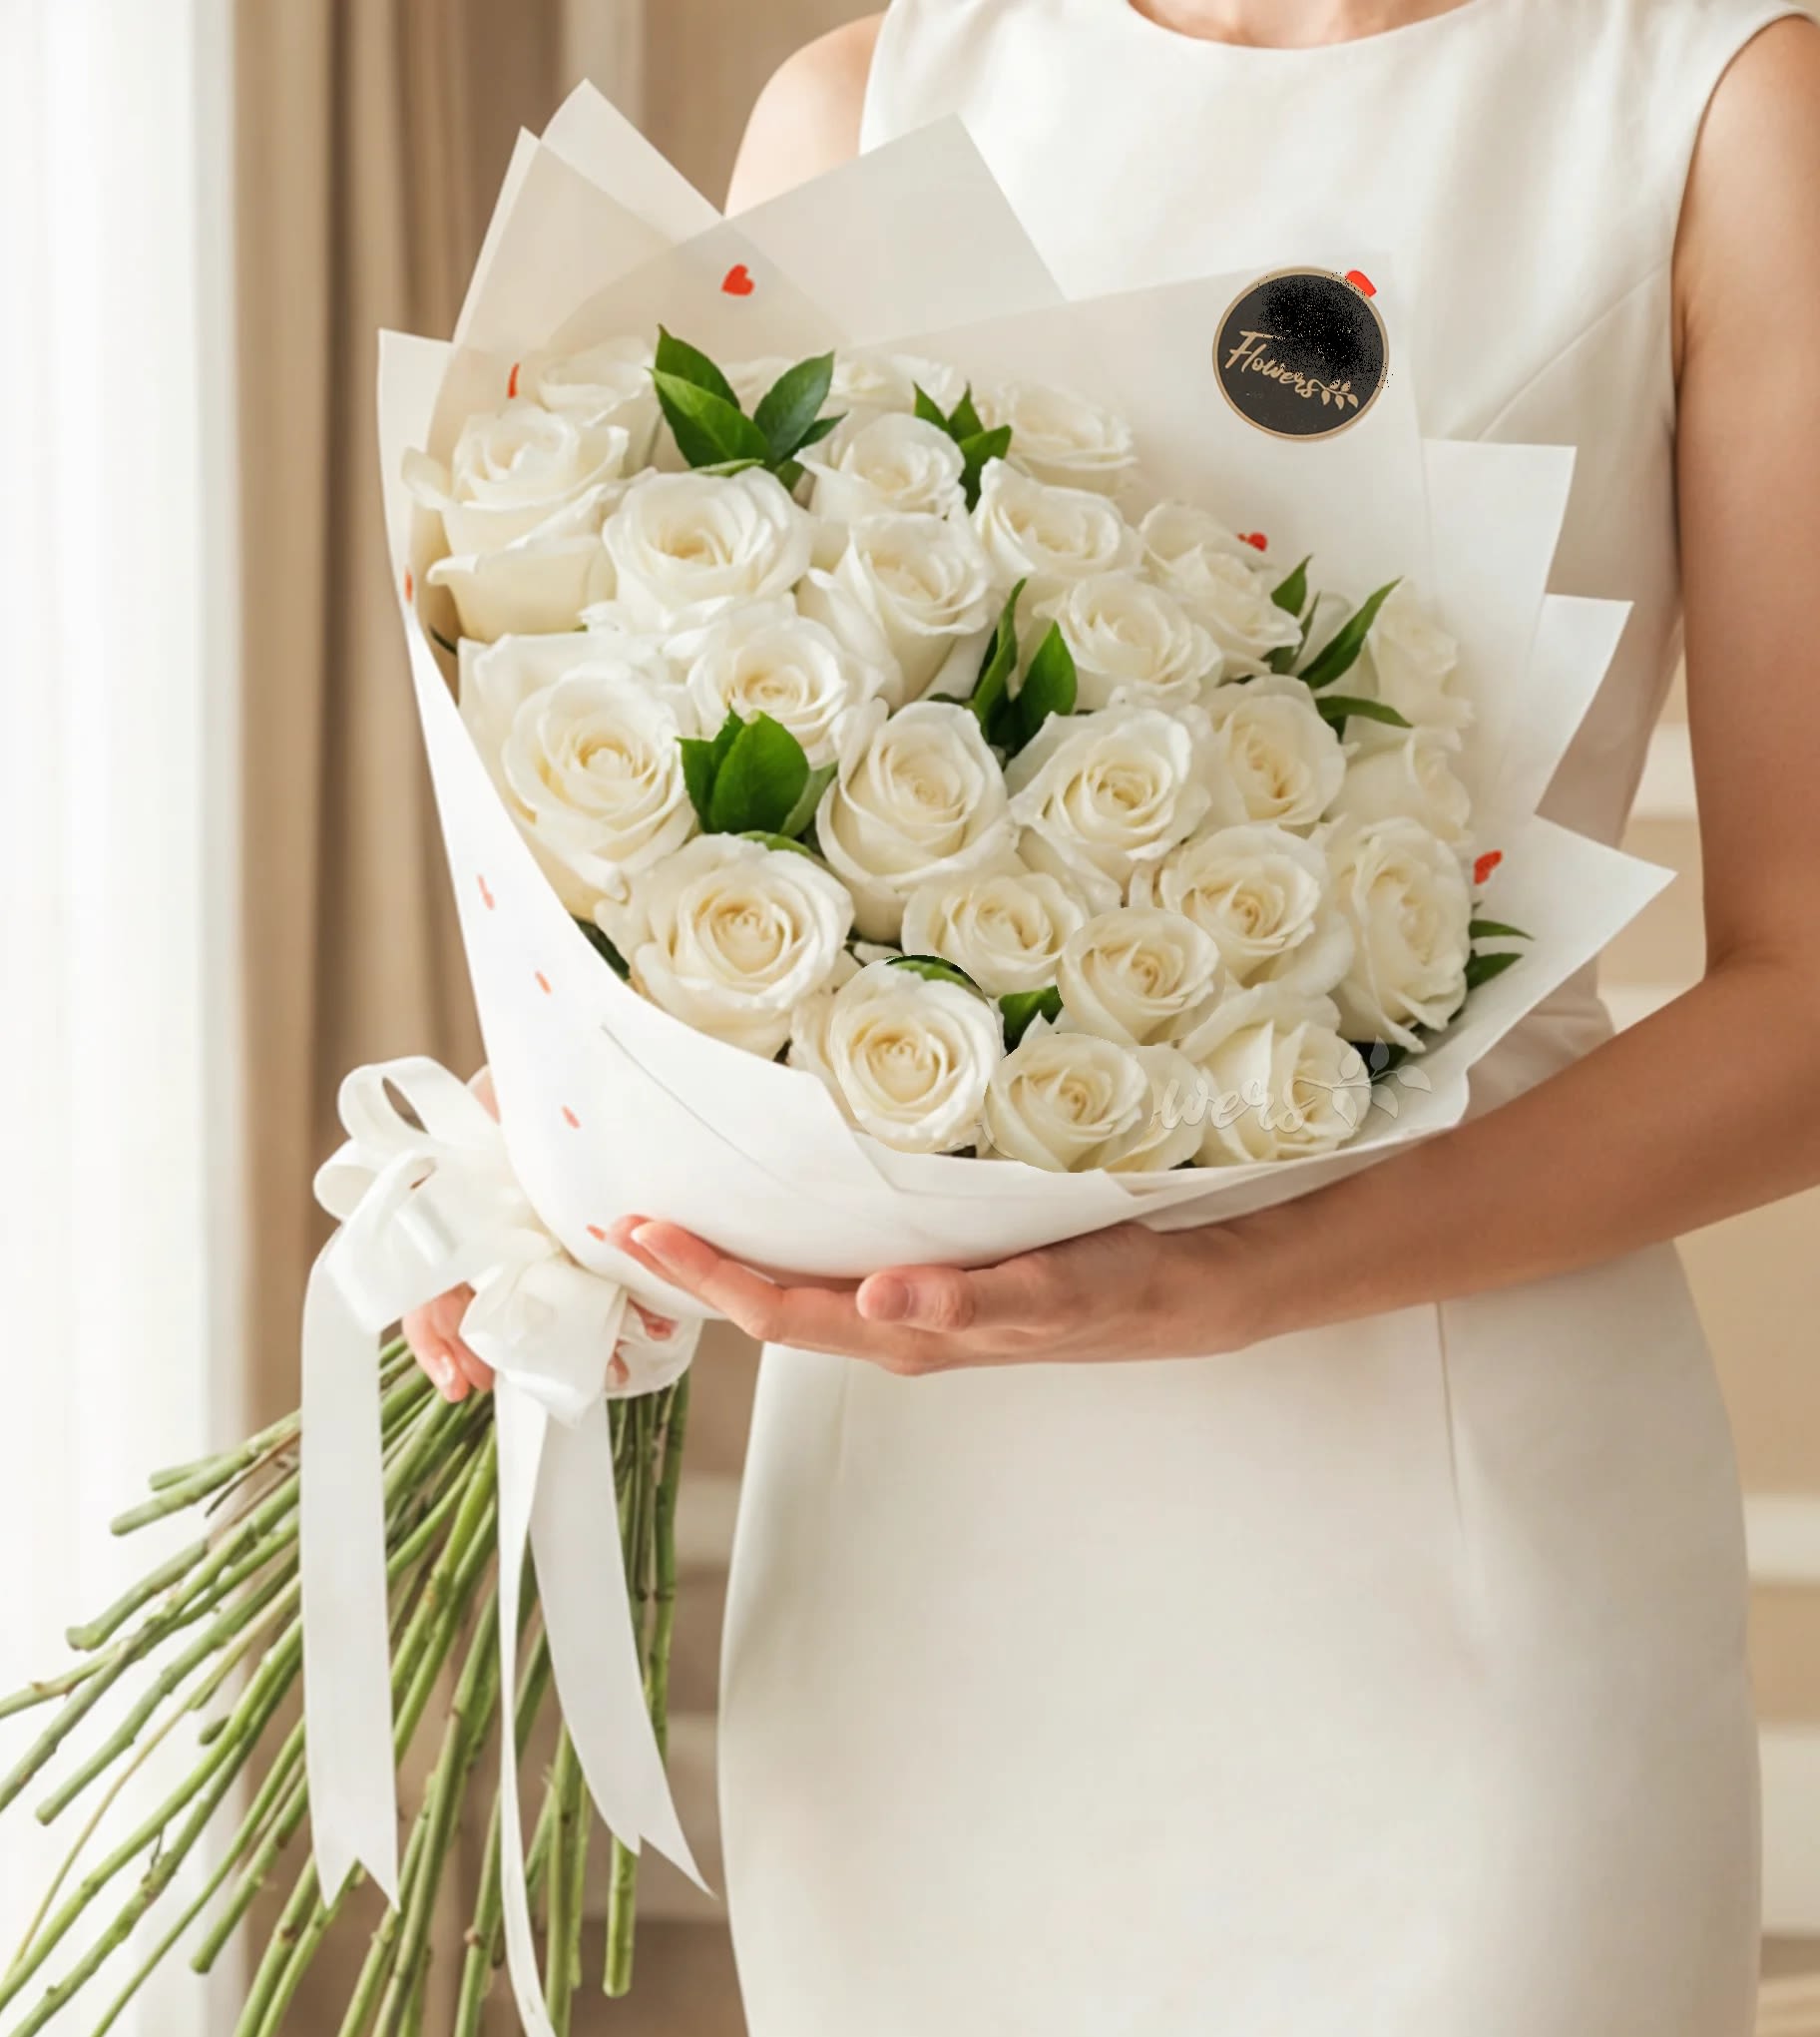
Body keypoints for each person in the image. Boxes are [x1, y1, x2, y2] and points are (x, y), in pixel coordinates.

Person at [410, 2, 1820, 2029]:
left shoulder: (1709, 102)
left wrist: (1249, 1270)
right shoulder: (869, 100)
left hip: (1459, 1545)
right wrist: (564, 1141)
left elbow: (1806, 996)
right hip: (931, 1581)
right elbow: (691, 809)